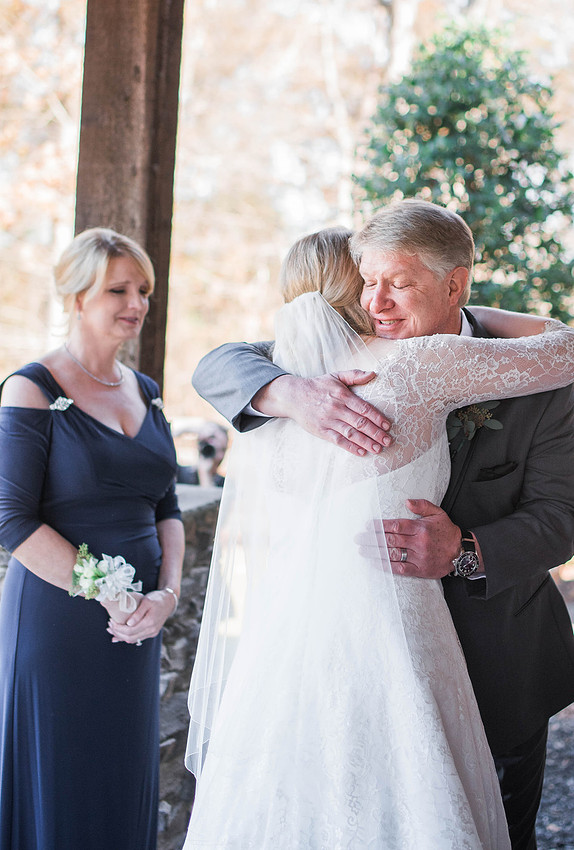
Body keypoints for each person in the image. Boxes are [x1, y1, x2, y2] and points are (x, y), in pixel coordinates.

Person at [185, 218, 574, 849]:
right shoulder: (304, 372)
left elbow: (562, 513)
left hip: (496, 659)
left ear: (455, 285)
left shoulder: (532, 383)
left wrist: (465, 553)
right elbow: (216, 364)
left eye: (398, 284)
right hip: (351, 654)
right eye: (368, 282)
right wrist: (286, 391)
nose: (377, 303)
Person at [0, 227, 185, 850]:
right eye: (118, 290)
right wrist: (108, 591)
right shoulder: (31, 388)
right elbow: (11, 519)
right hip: (59, 618)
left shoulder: (147, 391)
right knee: (62, 776)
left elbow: (166, 505)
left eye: (144, 291)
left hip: (138, 623)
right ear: (77, 297)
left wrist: (165, 596)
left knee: (121, 775)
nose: (136, 303)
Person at [176, 421, 229, 487]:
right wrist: (186, 430)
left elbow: (210, 493)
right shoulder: (179, 474)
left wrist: (205, 473)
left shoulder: (226, 484)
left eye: (221, 449)